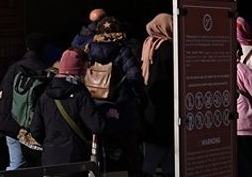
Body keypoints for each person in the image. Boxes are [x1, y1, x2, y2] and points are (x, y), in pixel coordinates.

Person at [30, 50, 111, 176]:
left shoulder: (45, 96)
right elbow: (97, 126)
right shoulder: (80, 95)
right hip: (75, 160)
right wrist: (107, 115)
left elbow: (35, 130)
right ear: (80, 70)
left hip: (49, 160)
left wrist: (50, 143)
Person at [84, 16, 144, 176]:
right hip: (122, 105)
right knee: (130, 148)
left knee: (97, 147)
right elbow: (134, 76)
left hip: (95, 105)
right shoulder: (123, 50)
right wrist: (139, 95)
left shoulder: (89, 48)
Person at [0, 32, 49, 170]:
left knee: (17, 162)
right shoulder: (45, 70)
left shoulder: (15, 68)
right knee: (35, 164)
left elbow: (4, 93)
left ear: (27, 47)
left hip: (11, 123)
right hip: (32, 125)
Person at [139, 14, 175, 176]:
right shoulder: (168, 47)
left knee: (158, 145)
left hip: (150, 103)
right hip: (165, 105)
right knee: (163, 146)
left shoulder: (149, 43)